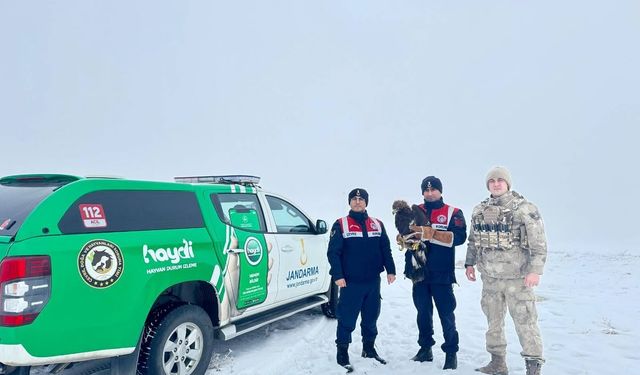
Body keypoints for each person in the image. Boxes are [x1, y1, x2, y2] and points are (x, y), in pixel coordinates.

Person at [464, 166, 547, 375]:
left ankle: (533, 366)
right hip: (490, 278)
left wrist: (535, 270)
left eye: (501, 180)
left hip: (518, 279)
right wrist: (469, 264)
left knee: (525, 322)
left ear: (508, 183)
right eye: (492, 180)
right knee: (493, 323)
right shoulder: (479, 210)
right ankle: (497, 363)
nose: (496, 183)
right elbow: (473, 240)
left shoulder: (524, 209)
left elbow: (539, 243)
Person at [327, 188, 396, 371]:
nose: (358, 202)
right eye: (354, 199)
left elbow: (385, 249)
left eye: (361, 199)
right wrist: (338, 275)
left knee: (371, 318)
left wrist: (391, 270)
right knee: (347, 319)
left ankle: (369, 349)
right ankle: (342, 352)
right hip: (350, 282)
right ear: (349, 202)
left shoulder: (377, 224)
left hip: (373, 281)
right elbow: (333, 253)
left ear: (366, 202)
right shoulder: (341, 224)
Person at [403, 176, 467, 370]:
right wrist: (404, 238)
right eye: (426, 190)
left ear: (440, 191)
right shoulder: (414, 211)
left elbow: (460, 237)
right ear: (423, 192)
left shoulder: (453, 212)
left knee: (446, 314)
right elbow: (406, 233)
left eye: (433, 190)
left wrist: (432, 234)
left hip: (442, 273)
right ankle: (425, 349)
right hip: (419, 272)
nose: (430, 193)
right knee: (423, 312)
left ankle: (451, 353)